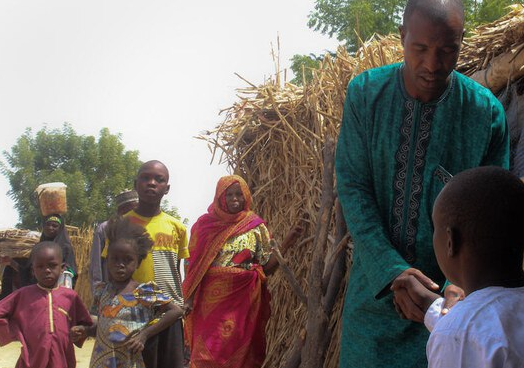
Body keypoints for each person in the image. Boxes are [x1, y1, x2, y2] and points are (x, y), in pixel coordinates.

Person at [334, 0, 509, 366]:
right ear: (402, 37)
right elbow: (354, 188)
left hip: (451, 309)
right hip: (373, 299)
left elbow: (492, 212)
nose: (432, 64)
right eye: (420, 49)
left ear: (461, 42)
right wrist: (392, 271)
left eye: (448, 50)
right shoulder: (365, 96)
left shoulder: (485, 114)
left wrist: (454, 289)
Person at [392, 166, 524, 367]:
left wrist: (453, 323)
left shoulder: (459, 334)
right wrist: (431, 306)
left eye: (435, 229)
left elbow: (471, 335)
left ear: (450, 242)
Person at [182, 175, 302, 368]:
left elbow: (267, 267)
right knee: (206, 353)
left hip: (243, 300)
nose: (235, 198)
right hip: (210, 302)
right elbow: (193, 266)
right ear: (220, 197)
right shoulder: (204, 226)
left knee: (239, 351)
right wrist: (188, 298)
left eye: (239, 194)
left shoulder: (255, 226)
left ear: (246, 195)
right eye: (229, 194)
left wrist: (287, 242)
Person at [71, 216, 185, 368]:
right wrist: (85, 330)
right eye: (115, 259)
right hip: (102, 360)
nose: (120, 265)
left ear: (138, 263)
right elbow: (99, 323)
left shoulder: (144, 291)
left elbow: (176, 311)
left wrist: (144, 335)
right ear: (107, 260)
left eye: (127, 260)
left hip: (130, 361)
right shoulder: (101, 290)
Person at [119, 160, 188, 368]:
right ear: (135, 183)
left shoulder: (177, 228)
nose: (152, 183)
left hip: (169, 314)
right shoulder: (121, 225)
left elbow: (175, 269)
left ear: (166, 189)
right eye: (145, 178)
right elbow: (112, 270)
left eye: (159, 180)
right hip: (132, 313)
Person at [0, 241, 92, 368]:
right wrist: (14, 329)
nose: (47, 270)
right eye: (40, 266)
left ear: (62, 268)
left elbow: (85, 323)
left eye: (52, 265)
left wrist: (82, 331)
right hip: (32, 360)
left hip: (62, 359)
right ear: (33, 270)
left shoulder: (71, 297)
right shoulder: (23, 295)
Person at [89, 189, 138, 292]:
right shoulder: (104, 229)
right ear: (123, 209)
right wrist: (97, 291)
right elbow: (96, 264)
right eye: (134, 208)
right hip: (110, 290)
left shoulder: (139, 228)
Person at [40, 214, 78, 288]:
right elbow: (28, 273)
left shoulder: (66, 248)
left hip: (59, 287)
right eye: (48, 225)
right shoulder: (38, 248)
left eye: (54, 226)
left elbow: (71, 269)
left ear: (60, 229)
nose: (50, 228)